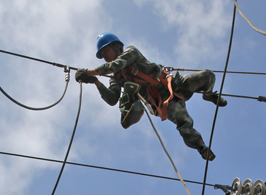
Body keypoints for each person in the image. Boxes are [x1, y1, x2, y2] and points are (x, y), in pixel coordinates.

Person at [75, 33, 227, 162]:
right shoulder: (116, 78)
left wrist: (88, 72)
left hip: (171, 83)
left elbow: (114, 66)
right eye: (102, 56)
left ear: (116, 46)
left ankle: (209, 94)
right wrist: (95, 82)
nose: (105, 57)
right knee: (183, 121)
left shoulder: (130, 52)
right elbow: (112, 99)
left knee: (207, 76)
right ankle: (201, 147)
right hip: (160, 99)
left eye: (105, 51)